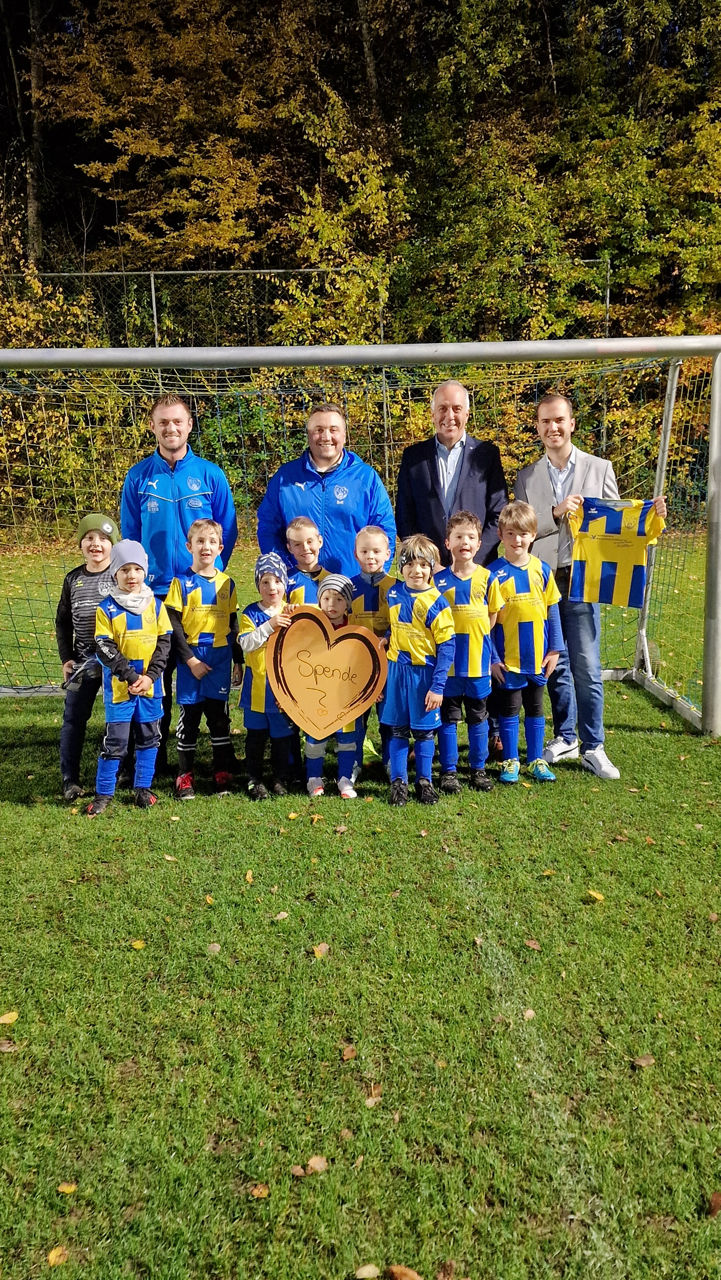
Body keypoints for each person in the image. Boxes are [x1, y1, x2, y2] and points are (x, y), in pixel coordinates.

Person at [514, 393, 667, 780]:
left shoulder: (600, 468)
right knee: (556, 661)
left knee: (587, 663)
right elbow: (520, 531)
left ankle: (594, 745)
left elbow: (620, 525)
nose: (553, 428)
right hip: (544, 579)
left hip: (585, 579)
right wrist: (554, 512)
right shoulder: (527, 477)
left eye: (560, 420)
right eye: (546, 421)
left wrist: (650, 518)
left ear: (572, 423)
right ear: (537, 427)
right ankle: (566, 736)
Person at [119, 393, 238, 771]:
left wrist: (205, 576)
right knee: (156, 679)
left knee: (207, 672)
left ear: (189, 425)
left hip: (201, 596)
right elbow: (130, 537)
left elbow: (228, 532)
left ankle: (221, 752)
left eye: (178, 421)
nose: (171, 428)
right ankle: (152, 757)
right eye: (163, 422)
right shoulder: (139, 476)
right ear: (152, 426)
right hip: (153, 597)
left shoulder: (210, 475)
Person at [256, 402, 396, 577]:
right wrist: (285, 570)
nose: (326, 436)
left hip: (352, 585)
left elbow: (384, 531)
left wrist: (375, 577)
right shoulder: (285, 478)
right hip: (300, 586)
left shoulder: (366, 478)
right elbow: (268, 528)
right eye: (319, 430)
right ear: (309, 435)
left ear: (344, 435)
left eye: (333, 429)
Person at [86, 540, 172, 815]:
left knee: (149, 737)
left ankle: (142, 789)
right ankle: (103, 794)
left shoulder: (156, 606)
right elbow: (103, 647)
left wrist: (151, 676)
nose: (131, 575)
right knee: (116, 742)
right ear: (115, 574)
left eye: (136, 569)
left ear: (144, 572)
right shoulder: (107, 608)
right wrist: (131, 675)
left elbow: (164, 643)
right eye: (124, 569)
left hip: (150, 688)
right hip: (121, 689)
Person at [164, 519, 242, 801]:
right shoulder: (180, 583)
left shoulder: (227, 583)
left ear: (220, 547)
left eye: (211, 542)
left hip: (219, 658)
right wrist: (190, 660)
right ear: (189, 547)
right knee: (191, 717)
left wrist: (237, 660)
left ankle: (222, 773)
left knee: (219, 718)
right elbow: (173, 626)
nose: (205, 547)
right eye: (200, 542)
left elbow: (233, 624)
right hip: (192, 658)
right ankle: (185, 776)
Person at [488, 502, 563, 784]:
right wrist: (493, 658)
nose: (517, 540)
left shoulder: (542, 570)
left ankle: (535, 759)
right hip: (509, 659)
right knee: (509, 710)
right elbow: (487, 624)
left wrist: (555, 649)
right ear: (500, 535)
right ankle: (510, 760)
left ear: (533, 535)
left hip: (538, 658)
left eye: (523, 534)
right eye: (510, 534)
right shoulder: (494, 574)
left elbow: (552, 611)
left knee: (535, 709)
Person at [395, 380, 508, 568]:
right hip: (429, 574)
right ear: (432, 415)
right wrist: (428, 562)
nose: (449, 416)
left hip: (477, 570)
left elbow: (498, 514)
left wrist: (470, 561)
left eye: (457, 408)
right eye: (442, 408)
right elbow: (405, 517)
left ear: (467, 414)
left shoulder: (487, 454)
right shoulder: (413, 458)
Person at [380, 535, 455, 806]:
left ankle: (424, 781)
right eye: (410, 564)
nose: (416, 571)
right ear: (401, 568)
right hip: (397, 672)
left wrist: (437, 686)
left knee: (424, 732)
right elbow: (398, 622)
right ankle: (398, 782)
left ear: (432, 568)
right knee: (398, 730)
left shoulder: (437, 602)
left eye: (423, 565)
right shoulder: (394, 593)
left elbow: (447, 646)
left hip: (423, 675)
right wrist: (388, 636)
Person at [55, 512, 119, 801]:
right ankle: (70, 779)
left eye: (103, 539)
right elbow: (63, 621)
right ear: (81, 544)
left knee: (117, 720)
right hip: (83, 664)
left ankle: (122, 770)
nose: (96, 544)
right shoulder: (73, 580)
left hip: (116, 664)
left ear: (112, 545)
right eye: (89, 538)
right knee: (73, 719)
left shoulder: (121, 575)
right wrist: (66, 657)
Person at [434, 511, 497, 794]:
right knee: (448, 718)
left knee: (477, 716)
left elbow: (493, 616)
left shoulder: (487, 577)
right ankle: (448, 771)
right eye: (458, 537)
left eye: (471, 537)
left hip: (477, 664)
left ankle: (477, 768)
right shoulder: (438, 581)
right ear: (448, 543)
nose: (465, 542)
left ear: (479, 542)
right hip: (447, 667)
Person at [238, 553, 296, 800]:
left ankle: (281, 778)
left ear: (285, 583)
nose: (272, 587)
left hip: (283, 689)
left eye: (277, 581)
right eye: (265, 582)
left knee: (282, 738)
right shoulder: (251, 613)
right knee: (256, 738)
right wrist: (270, 625)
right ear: (257, 585)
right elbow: (246, 643)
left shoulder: (293, 611)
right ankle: (254, 779)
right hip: (257, 688)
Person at [304, 575, 361, 800]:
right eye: (326, 598)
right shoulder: (311, 628)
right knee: (315, 737)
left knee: (347, 739)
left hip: (345, 695)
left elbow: (363, 664)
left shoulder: (356, 629)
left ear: (347, 603)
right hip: (316, 693)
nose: (331, 604)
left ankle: (344, 779)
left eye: (338, 599)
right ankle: (314, 778)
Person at [349, 525, 394, 772]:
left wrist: (387, 636)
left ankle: (389, 760)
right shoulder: (349, 588)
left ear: (388, 553)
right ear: (356, 554)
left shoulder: (397, 587)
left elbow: (402, 624)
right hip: (358, 663)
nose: (371, 557)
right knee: (357, 714)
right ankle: (354, 760)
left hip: (389, 663)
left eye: (377, 551)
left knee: (388, 714)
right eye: (365, 551)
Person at [285, 517, 329, 605]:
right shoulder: (284, 581)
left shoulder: (331, 579)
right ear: (290, 548)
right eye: (297, 544)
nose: (305, 548)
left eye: (309, 541)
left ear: (320, 541)